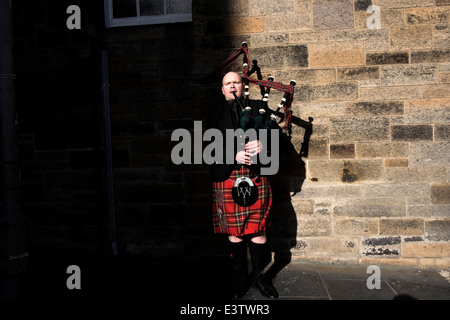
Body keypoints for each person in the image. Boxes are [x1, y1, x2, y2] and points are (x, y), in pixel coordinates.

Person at [207, 71, 279, 299]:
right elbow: (206, 146)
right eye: (227, 83)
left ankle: (259, 277)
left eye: (236, 82)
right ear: (222, 89)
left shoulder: (259, 107)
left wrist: (263, 142)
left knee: (258, 230)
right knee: (235, 233)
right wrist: (232, 156)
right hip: (228, 175)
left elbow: (276, 135)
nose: (232, 86)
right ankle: (239, 278)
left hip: (256, 174)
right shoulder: (215, 112)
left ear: (243, 85)